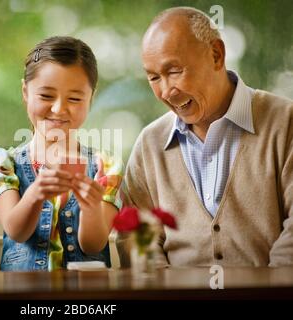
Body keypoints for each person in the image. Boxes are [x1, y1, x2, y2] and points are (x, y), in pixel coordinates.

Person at [122, 7, 293, 267]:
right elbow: (134, 235)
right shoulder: (149, 144)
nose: (167, 91)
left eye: (174, 71)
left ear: (216, 55)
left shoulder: (285, 121)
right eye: (154, 77)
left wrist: (269, 291)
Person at [0, 36, 123, 271]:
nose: (58, 109)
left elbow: (92, 245)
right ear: (25, 92)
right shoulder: (2, 164)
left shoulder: (105, 166)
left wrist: (90, 207)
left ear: (91, 99)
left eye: (75, 99)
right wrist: (35, 193)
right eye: (46, 96)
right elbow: (16, 231)